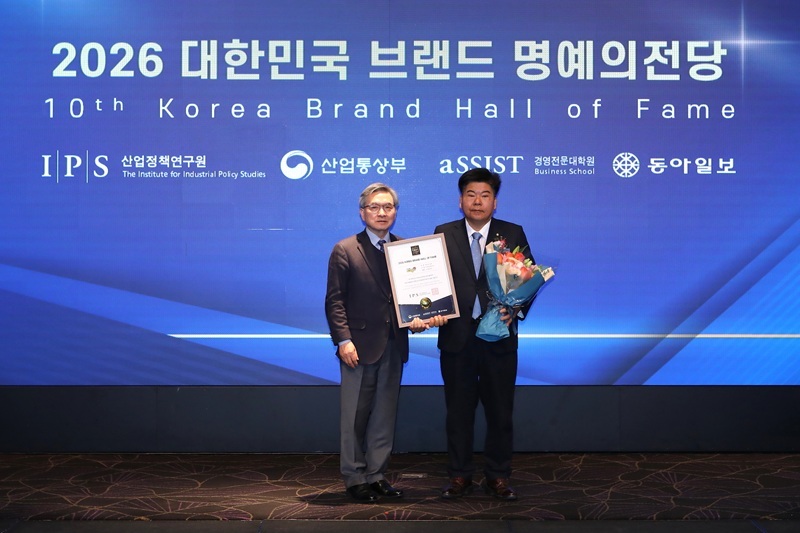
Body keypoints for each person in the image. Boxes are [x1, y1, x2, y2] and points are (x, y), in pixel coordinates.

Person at [325, 182, 445, 503]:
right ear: (362, 212)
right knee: (354, 417)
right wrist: (343, 340)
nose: (382, 212)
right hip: (358, 347)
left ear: (395, 212)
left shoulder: (405, 250)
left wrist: (421, 319)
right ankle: (354, 478)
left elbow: (413, 302)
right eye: (375, 207)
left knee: (384, 415)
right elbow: (335, 301)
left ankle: (376, 475)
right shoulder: (345, 249)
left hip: (394, 343)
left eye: (388, 207)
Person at [433, 168, 534, 501]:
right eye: (471, 195)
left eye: (485, 195)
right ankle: (459, 475)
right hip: (457, 338)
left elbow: (529, 278)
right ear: (460, 200)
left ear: (495, 202)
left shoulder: (512, 232)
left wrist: (516, 309)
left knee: (500, 412)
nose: (477, 201)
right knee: (458, 413)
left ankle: (498, 476)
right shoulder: (443, 233)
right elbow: (432, 281)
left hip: (499, 337)